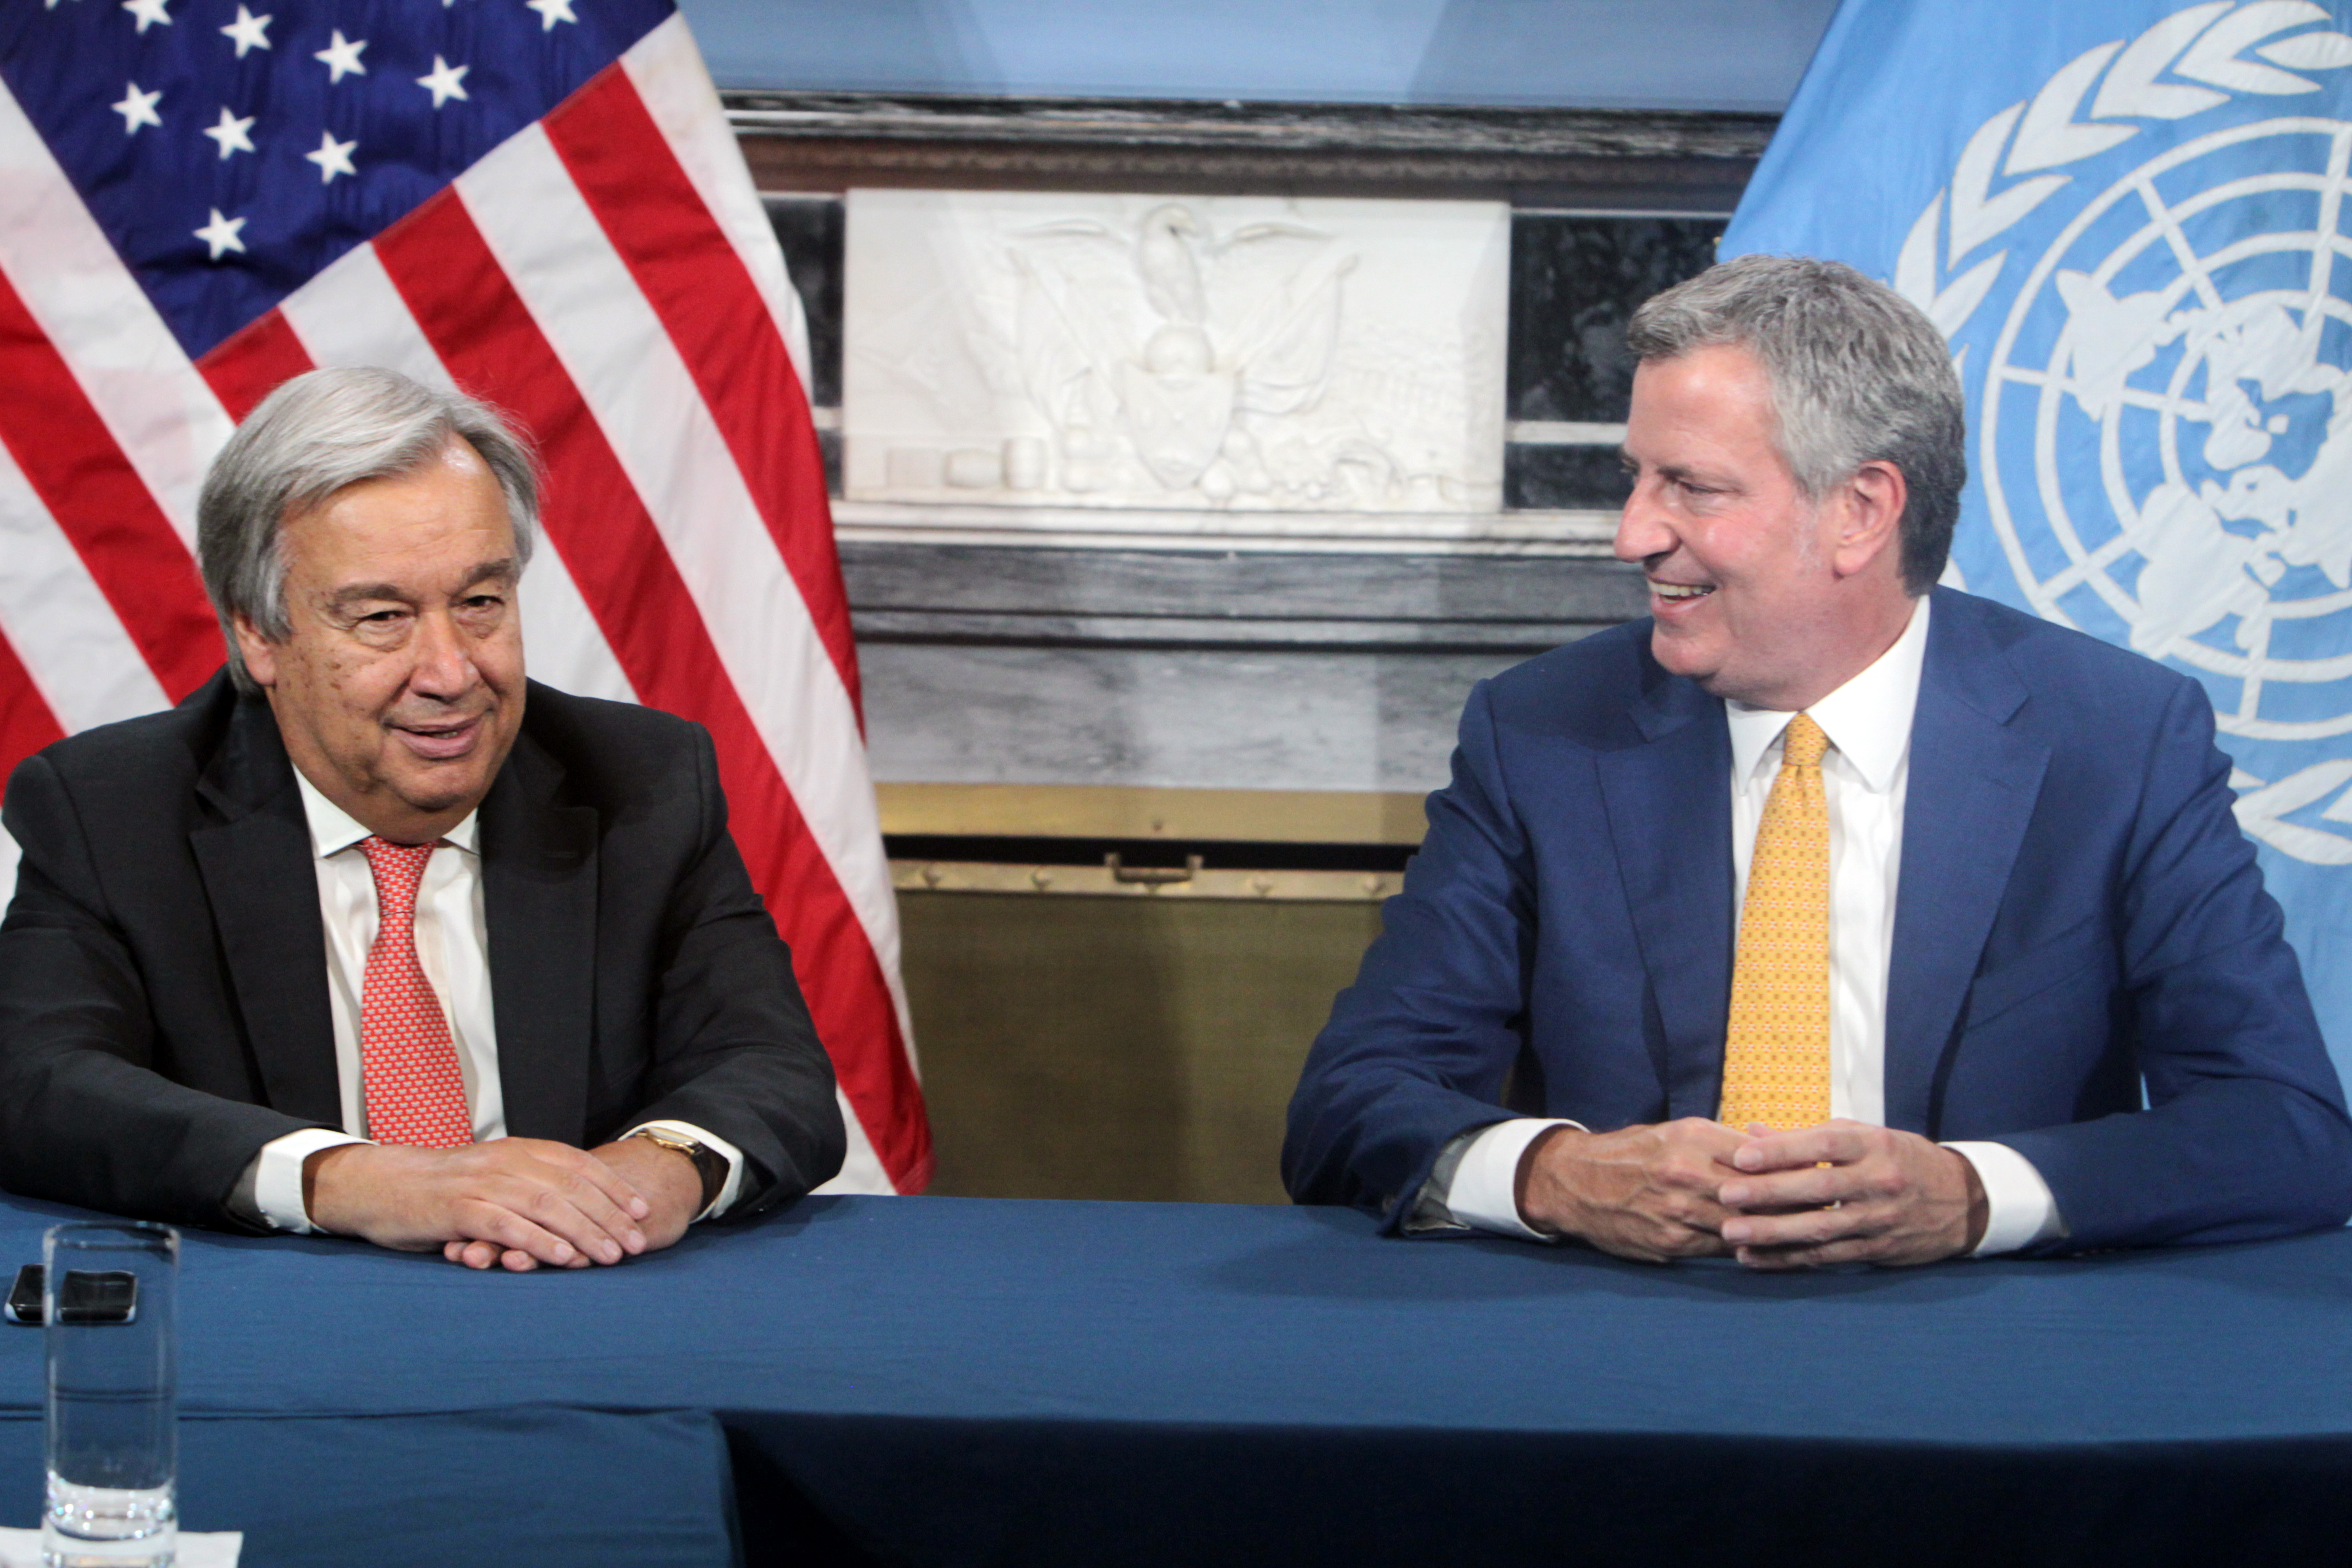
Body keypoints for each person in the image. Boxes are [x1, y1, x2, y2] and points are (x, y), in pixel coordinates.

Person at [1283, 255, 2352, 1266]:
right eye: (1635, 478)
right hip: (1618, 1355)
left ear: (1860, 512)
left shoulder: (2116, 739)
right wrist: (1556, 1176)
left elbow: (2286, 1129)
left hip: (1995, 1372)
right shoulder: (1544, 734)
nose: (1631, 535)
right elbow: (1353, 1103)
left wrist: (1974, 1197)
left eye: (1691, 488)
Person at [0, 367, 844, 1272]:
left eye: (480, 603)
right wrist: (363, 1182)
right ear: (259, 633)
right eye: (382, 617)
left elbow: (773, 1069)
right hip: (273, 1329)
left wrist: (641, 1181)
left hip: (569, 1305)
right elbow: (38, 1082)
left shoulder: (638, 783)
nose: (449, 672)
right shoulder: (115, 809)